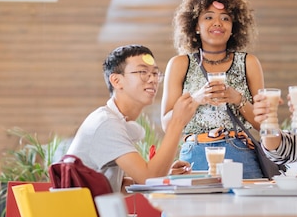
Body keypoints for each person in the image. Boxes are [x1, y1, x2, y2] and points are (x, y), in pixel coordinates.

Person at [161, 0, 266, 179]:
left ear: (234, 28)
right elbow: (167, 125)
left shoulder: (249, 63)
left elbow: (265, 124)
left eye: (225, 18)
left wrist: (238, 99)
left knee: (247, 210)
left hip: (241, 155)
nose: (217, 23)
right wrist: (196, 99)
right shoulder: (179, 64)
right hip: (195, 156)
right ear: (196, 26)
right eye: (208, 17)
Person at [66, 44, 198, 193]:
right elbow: (149, 177)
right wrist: (177, 122)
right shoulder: (107, 123)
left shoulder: (113, 119)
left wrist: (164, 173)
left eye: (155, 73)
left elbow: (120, 186)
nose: (152, 79)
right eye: (143, 72)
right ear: (116, 81)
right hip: (84, 215)